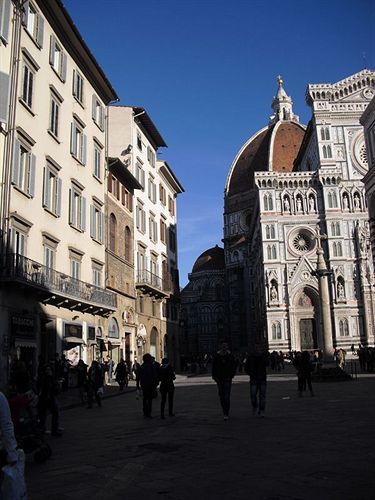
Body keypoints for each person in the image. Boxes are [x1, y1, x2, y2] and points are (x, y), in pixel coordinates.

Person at [212, 340, 237, 420]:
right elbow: (214, 367)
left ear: (227, 346)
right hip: (219, 378)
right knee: (221, 396)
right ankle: (224, 409)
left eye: (225, 345)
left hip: (227, 378)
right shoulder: (217, 356)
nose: (224, 347)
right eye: (223, 345)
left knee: (226, 396)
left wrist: (232, 375)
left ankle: (226, 412)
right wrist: (214, 376)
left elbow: (234, 365)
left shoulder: (230, 356)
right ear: (221, 346)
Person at [244, 343, 269, 417]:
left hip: (262, 379)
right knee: (253, 396)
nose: (257, 349)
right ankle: (255, 406)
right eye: (256, 348)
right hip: (254, 379)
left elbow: (267, 363)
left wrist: (263, 356)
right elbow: (246, 366)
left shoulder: (263, 356)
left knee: (262, 396)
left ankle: (262, 410)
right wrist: (250, 373)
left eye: (259, 348)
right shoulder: (250, 357)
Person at [38, 364, 62, 436]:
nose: (48, 371)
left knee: (45, 414)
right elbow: (48, 388)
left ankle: (44, 429)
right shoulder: (46, 378)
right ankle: (52, 430)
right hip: (47, 399)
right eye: (47, 370)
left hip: (47, 398)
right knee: (53, 413)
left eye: (49, 370)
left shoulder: (49, 378)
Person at [139, 354, 159, 418]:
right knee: (150, 399)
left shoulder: (142, 366)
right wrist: (156, 384)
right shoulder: (152, 366)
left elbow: (139, 376)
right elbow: (154, 375)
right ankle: (149, 413)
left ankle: (145, 412)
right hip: (151, 385)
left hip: (144, 385)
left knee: (145, 398)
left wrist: (139, 385)